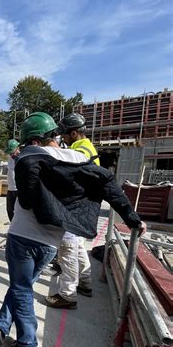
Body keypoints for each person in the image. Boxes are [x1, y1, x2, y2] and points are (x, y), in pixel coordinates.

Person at [0, 112, 146, 347]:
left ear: (34, 139)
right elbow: (108, 183)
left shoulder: (31, 156)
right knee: (21, 288)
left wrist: (35, 192)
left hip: (22, 238)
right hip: (50, 244)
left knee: (21, 289)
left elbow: (25, 197)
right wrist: (132, 217)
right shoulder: (78, 158)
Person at [46, 113, 101, 309]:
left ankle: (67, 295)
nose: (63, 139)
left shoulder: (81, 152)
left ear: (75, 132)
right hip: (84, 207)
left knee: (67, 250)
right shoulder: (85, 147)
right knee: (77, 247)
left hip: (75, 208)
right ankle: (85, 283)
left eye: (65, 135)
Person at [5, 139, 20, 222]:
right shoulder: (11, 158)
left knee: (18, 212)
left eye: (11, 151)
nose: (10, 153)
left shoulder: (21, 158)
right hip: (10, 189)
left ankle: (20, 230)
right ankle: (12, 228)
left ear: (17, 148)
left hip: (18, 189)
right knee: (9, 210)